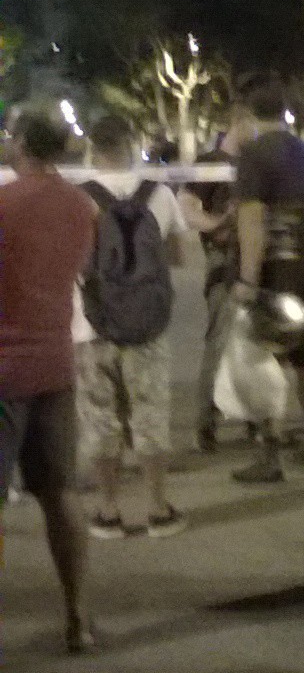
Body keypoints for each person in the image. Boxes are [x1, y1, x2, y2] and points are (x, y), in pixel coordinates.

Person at [0, 106, 97, 654]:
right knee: (61, 495)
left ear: (20, 143)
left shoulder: (4, 204)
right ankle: (79, 618)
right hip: (55, 365)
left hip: (5, 369)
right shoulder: (80, 206)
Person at [74, 114, 190, 538]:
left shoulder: (78, 199)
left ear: (92, 149)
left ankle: (108, 511)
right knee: (150, 414)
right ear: (132, 144)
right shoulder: (160, 194)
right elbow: (178, 257)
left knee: (100, 418)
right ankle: (158, 509)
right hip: (147, 325)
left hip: (93, 324)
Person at [231, 78, 304, 483]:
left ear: (251, 115)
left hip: (274, 270)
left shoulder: (253, 155)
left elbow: (252, 221)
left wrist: (248, 279)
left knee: (266, 360)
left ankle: (271, 456)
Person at [180, 105, 256, 451]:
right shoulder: (211, 163)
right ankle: (206, 422)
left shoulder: (254, 163)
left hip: (254, 259)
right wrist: (218, 223)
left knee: (255, 344)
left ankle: (255, 419)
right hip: (224, 262)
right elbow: (187, 208)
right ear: (238, 122)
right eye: (254, 124)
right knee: (220, 342)